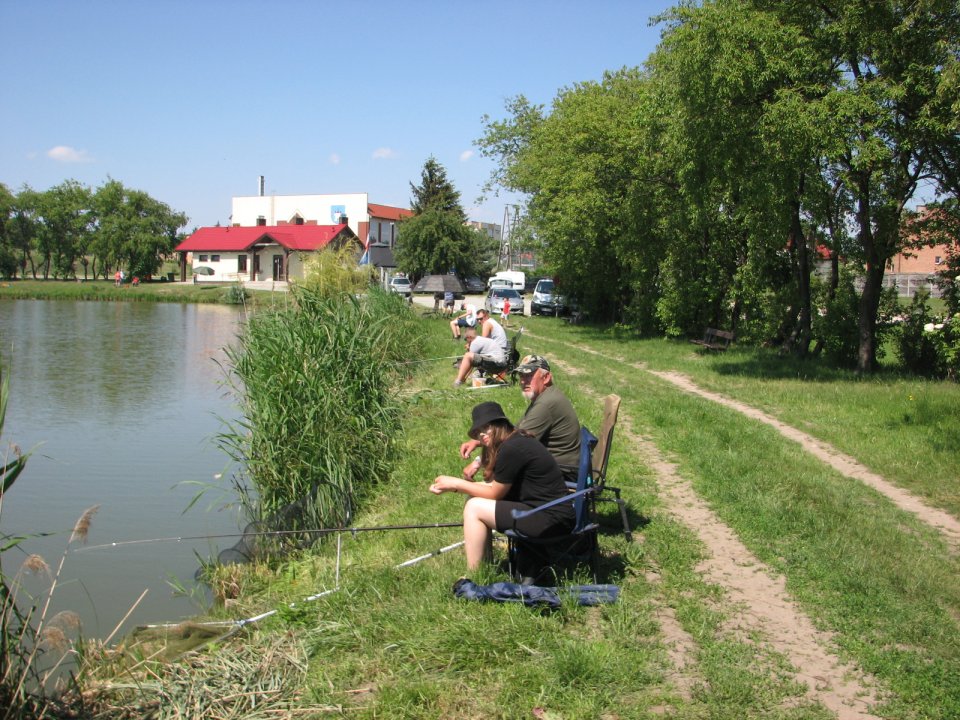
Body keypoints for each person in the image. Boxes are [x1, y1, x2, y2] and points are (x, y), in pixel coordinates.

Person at [429, 401, 575, 570]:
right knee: (474, 497)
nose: (482, 434)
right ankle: (484, 564)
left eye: (487, 427)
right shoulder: (516, 440)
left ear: (500, 424)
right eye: (478, 432)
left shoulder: (512, 448)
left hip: (551, 518)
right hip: (546, 510)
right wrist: (456, 486)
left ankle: (477, 573)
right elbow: (494, 486)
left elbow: (495, 494)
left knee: (474, 507)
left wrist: (456, 483)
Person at [459, 354, 580, 482]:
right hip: (558, 466)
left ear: (546, 378)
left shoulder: (546, 404)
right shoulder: (546, 396)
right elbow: (516, 431)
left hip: (562, 472)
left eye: (529, 375)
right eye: (521, 376)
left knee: (503, 470)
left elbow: (516, 443)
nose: (523, 381)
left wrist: (479, 462)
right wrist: (479, 441)